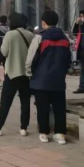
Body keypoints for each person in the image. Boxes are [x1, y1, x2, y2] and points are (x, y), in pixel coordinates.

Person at [0, 13, 34, 136]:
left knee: (5, 102)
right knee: (25, 102)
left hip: (12, 73)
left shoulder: (10, 35)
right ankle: (24, 128)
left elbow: (4, 51)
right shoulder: (30, 35)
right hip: (26, 74)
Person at [25, 10, 71, 144]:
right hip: (58, 79)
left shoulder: (39, 38)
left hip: (41, 80)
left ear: (43, 23)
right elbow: (68, 59)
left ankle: (44, 133)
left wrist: (29, 73)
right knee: (59, 108)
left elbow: (31, 59)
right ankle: (60, 134)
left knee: (42, 108)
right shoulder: (65, 38)